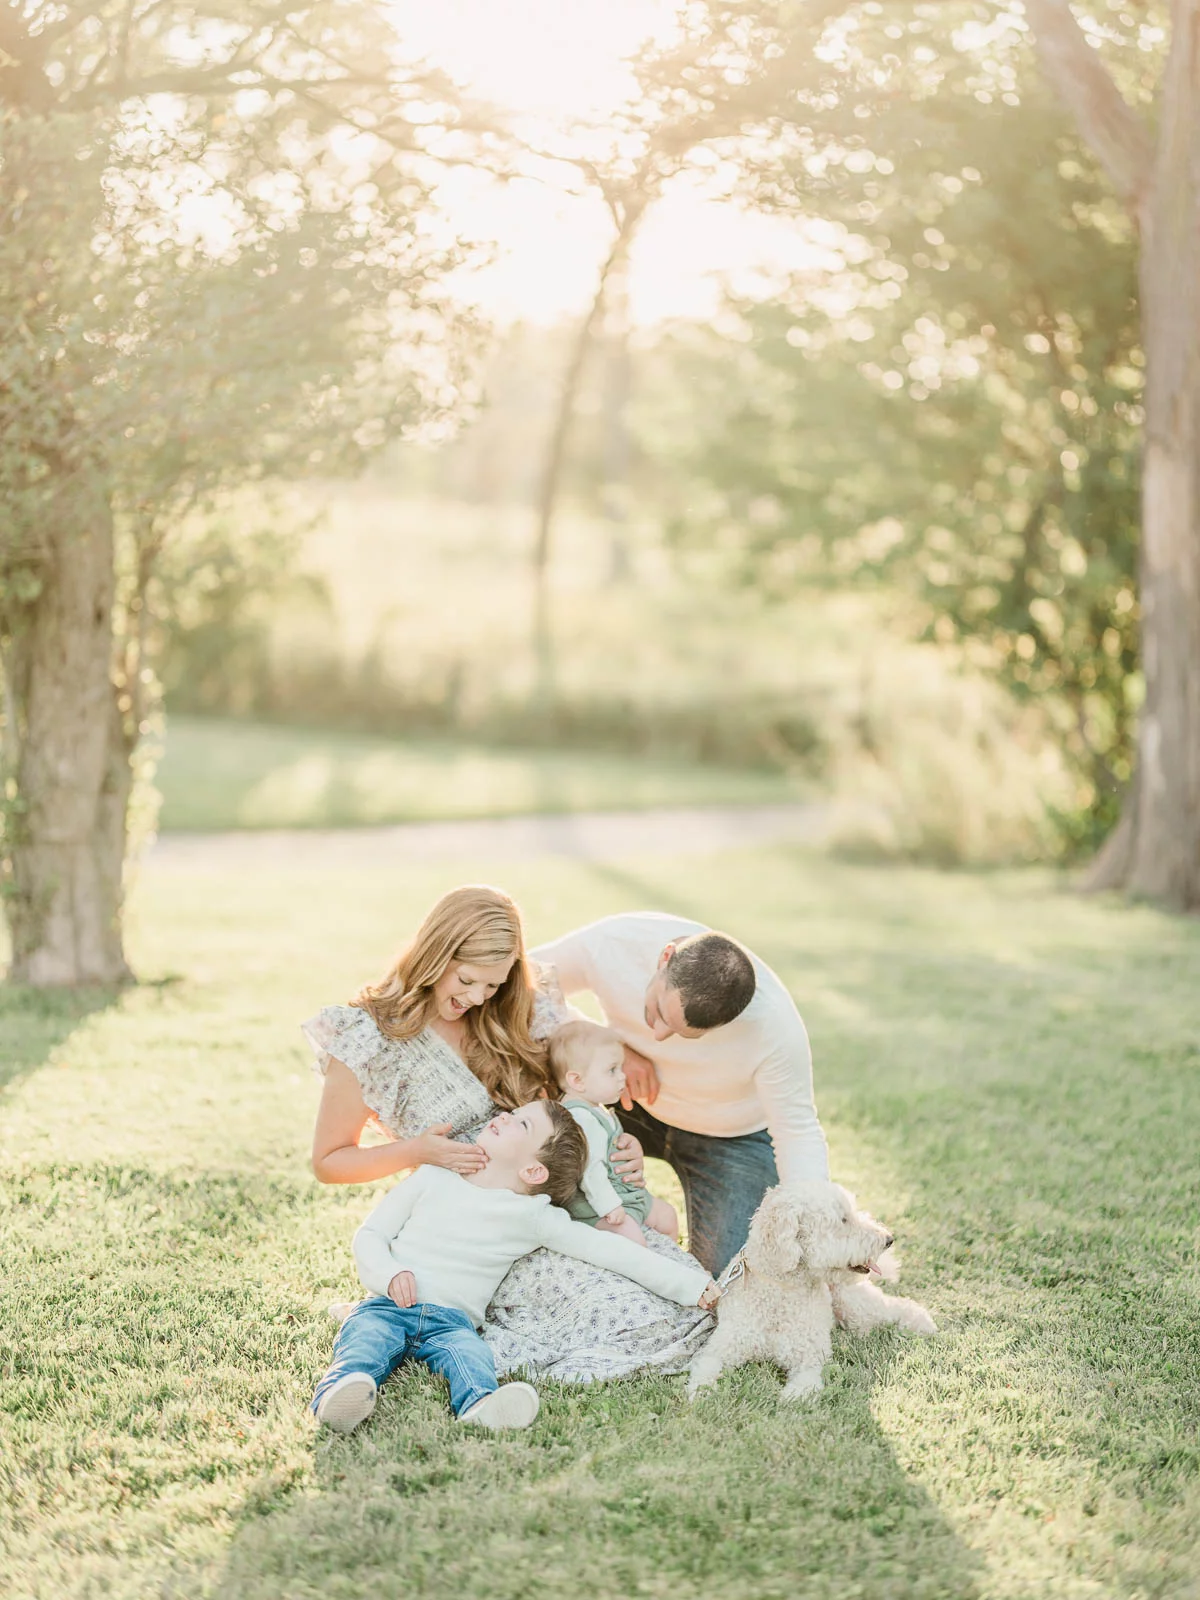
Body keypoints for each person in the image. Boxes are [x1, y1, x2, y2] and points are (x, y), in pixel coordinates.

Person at [304, 885, 714, 1382]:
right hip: (474, 1231)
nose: (478, 998)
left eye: (492, 986)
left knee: (664, 1281)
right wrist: (418, 1151)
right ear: (436, 952)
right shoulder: (366, 1037)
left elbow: (573, 1089)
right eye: (468, 980)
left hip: (554, 1200)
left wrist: (610, 1146)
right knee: (621, 1311)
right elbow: (329, 1162)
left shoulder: (516, 1009)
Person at [312, 1099, 717, 1433]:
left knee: (472, 1358)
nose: (504, 1115)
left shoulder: (534, 1215)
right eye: (512, 1112)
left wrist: (689, 1285)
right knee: (364, 1339)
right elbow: (371, 1235)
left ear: (533, 1171)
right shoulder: (434, 1177)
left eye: (521, 1123)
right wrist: (388, 1274)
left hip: (454, 1323)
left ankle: (480, 1406)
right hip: (388, 1303)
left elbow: (614, 1253)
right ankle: (343, 1392)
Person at [530, 911, 830, 1276]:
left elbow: (797, 1132)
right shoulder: (617, 942)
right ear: (665, 957)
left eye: (680, 1033)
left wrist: (817, 1223)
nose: (657, 1035)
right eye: (657, 1010)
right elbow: (527, 979)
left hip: (728, 1137)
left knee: (731, 1275)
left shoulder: (776, 1029)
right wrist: (611, 1048)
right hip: (623, 1101)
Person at [548, 1019, 678, 1248]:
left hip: (626, 1195)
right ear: (577, 1080)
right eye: (612, 1070)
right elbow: (590, 1170)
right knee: (632, 1239)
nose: (622, 1076)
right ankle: (649, 1271)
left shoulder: (594, 1108)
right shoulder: (581, 1118)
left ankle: (674, 1256)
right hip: (597, 1206)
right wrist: (609, 1207)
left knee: (667, 1216)